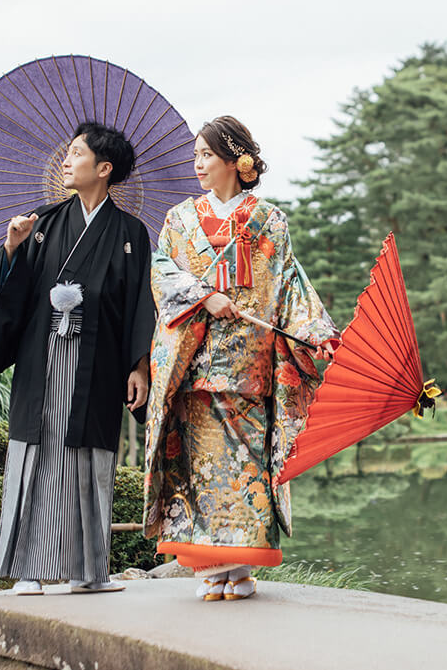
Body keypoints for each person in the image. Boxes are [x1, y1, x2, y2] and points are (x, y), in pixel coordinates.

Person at [143, 115, 340, 601]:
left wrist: (316, 336)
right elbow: (161, 272)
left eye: (207, 156)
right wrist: (203, 295)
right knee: (200, 467)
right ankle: (210, 568)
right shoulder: (178, 220)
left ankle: (243, 569)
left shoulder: (268, 220)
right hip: (193, 362)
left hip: (249, 365)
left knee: (246, 467)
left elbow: (289, 285)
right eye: (196, 156)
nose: (198, 166)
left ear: (237, 161)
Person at [0, 121, 155, 595]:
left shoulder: (131, 233)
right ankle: (28, 571)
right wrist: (12, 248)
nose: (66, 161)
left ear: (104, 168)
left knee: (88, 459)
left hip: (96, 364)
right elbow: (11, 295)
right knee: (35, 454)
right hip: (43, 356)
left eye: (77, 154)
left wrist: (139, 366)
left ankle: (87, 571)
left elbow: (139, 303)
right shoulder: (42, 223)